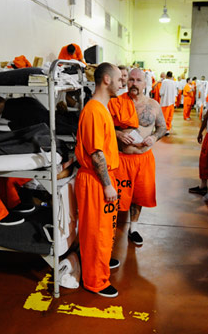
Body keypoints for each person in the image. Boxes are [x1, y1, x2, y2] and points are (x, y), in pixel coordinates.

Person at [75, 62, 123, 298]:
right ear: (106, 80)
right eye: (119, 79)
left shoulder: (102, 108)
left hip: (102, 178)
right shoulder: (94, 110)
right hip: (95, 180)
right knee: (95, 231)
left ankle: (101, 263)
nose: (122, 83)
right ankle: (95, 280)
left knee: (104, 229)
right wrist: (106, 185)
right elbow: (96, 153)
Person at [109, 68, 167, 245]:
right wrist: (118, 135)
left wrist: (154, 137)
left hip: (143, 159)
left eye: (138, 80)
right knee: (116, 196)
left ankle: (133, 228)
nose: (134, 83)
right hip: (121, 158)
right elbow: (105, 126)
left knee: (139, 195)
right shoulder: (116, 102)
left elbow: (162, 127)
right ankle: (109, 228)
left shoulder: (153, 105)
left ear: (145, 83)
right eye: (131, 80)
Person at [0, 94, 78, 135]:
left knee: (48, 119)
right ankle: (76, 126)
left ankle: (78, 124)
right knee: (48, 124)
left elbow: (1, 101)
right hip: (18, 118)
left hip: (22, 106)